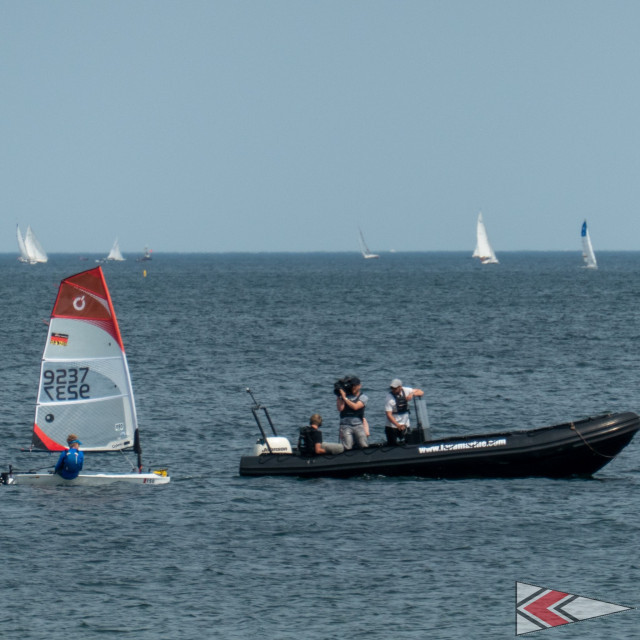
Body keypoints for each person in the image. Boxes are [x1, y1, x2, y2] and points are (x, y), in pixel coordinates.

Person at [384, 378, 424, 445]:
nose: (393, 390)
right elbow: (389, 415)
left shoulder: (406, 390)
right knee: (392, 445)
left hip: (405, 425)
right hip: (392, 426)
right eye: (392, 388)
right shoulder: (389, 398)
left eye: (395, 388)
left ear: (400, 387)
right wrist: (398, 425)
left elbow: (421, 392)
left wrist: (412, 394)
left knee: (408, 443)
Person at [336, 376, 369, 450]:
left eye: (355, 386)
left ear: (359, 386)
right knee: (348, 447)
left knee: (363, 444)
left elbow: (356, 407)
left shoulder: (363, 397)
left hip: (358, 425)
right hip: (345, 425)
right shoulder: (345, 395)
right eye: (352, 386)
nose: (353, 387)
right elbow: (340, 408)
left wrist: (345, 398)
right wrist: (339, 395)